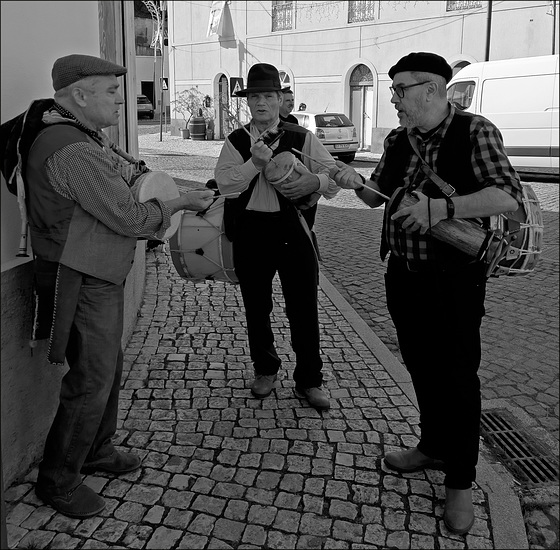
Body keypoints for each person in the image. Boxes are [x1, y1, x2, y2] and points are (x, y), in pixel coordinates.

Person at [1, 54, 215, 519]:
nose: (125, 100)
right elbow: (132, 218)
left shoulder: (74, 132)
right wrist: (182, 201)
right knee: (91, 378)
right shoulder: (72, 149)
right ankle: (58, 480)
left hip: (95, 270)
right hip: (82, 274)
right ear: (80, 95)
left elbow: (125, 181)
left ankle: (96, 448)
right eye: (112, 92)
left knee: (106, 367)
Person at [329, 52, 523, 535]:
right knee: (418, 362)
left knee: (457, 374)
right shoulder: (398, 139)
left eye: (399, 89)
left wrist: (442, 207)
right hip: (403, 272)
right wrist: (351, 182)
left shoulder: (475, 131)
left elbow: (507, 197)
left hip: (454, 277)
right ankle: (433, 445)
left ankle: (460, 481)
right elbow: (378, 197)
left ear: (432, 89)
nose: (392, 98)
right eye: (392, 89)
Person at [214, 63, 339, 410]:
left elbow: (332, 178)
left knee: (304, 308)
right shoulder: (237, 141)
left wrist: (318, 181)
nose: (262, 103)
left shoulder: (301, 138)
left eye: (268, 95)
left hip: (294, 231)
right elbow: (225, 184)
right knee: (257, 307)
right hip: (251, 232)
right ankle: (265, 369)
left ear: (280, 99)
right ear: (248, 102)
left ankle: (310, 380)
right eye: (255, 96)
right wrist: (253, 164)